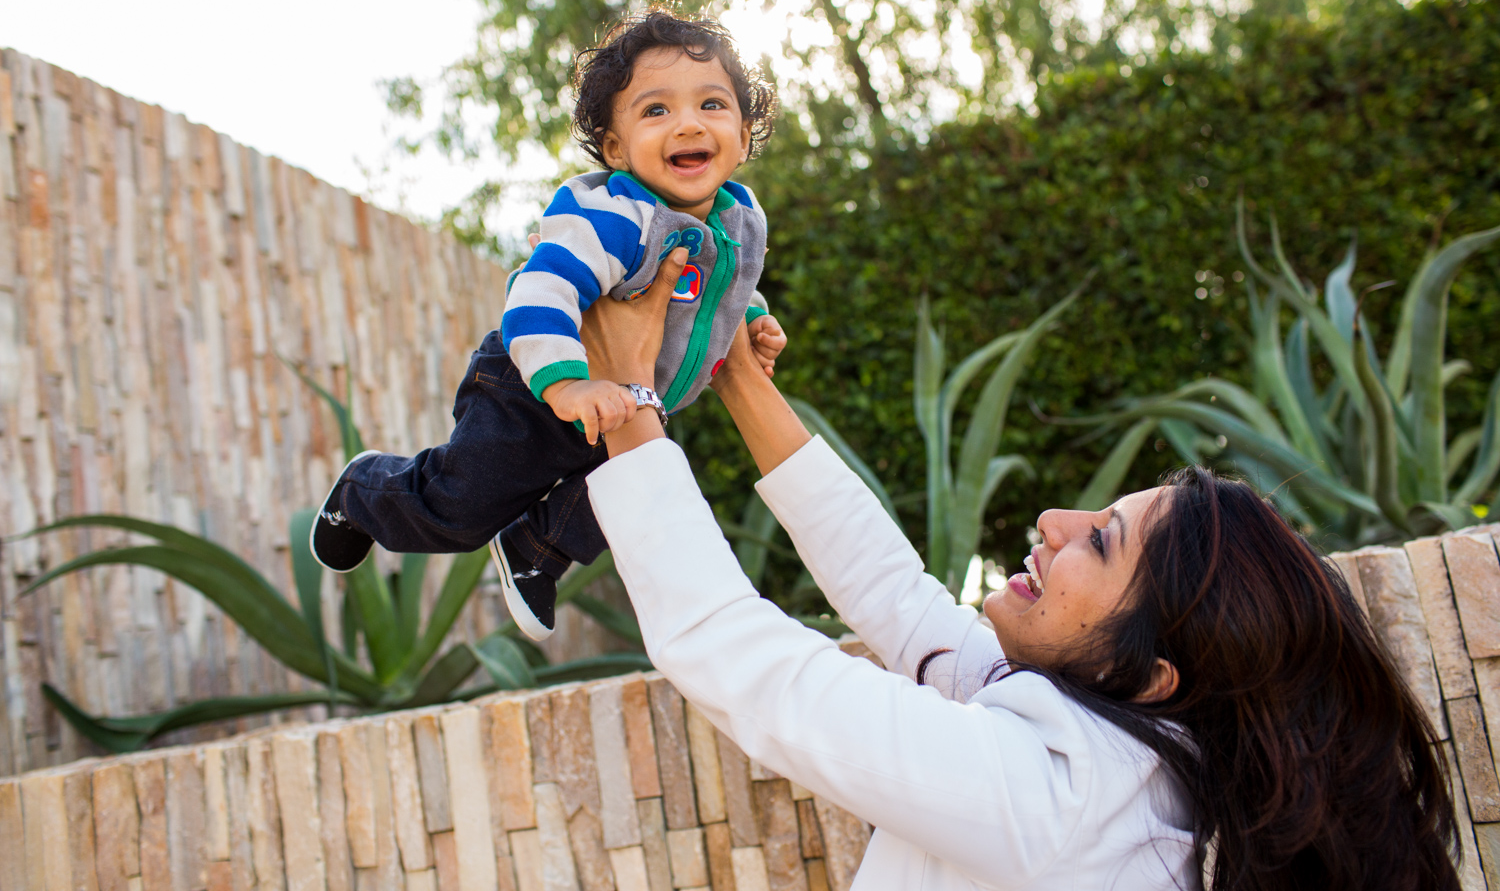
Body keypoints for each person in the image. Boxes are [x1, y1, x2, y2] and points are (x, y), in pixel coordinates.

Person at [576, 253, 1461, 890]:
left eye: (1103, 542)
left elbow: (749, 666)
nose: (1055, 523)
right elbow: (897, 597)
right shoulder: (1117, 745)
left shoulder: (1063, 800)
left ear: (1152, 674)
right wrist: (733, 372)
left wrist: (627, 397)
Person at [308, 6, 787, 641]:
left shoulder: (740, 219)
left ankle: (534, 549)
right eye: (656, 111)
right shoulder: (613, 213)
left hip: (627, 399)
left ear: (746, 129)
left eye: (712, 104)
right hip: (533, 387)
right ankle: (363, 491)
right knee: (461, 507)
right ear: (615, 148)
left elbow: (725, 289)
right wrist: (566, 386)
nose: (688, 124)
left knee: (626, 494)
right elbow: (540, 291)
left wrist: (753, 322)